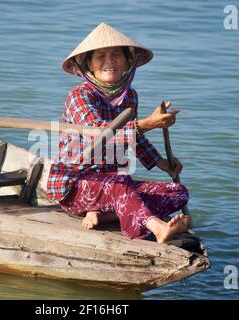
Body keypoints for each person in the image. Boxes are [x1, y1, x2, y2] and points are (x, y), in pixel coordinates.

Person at [47, 22, 190, 243]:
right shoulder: (80, 96)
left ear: (127, 61)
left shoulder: (130, 96)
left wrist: (162, 163)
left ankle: (106, 215)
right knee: (120, 182)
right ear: (89, 64)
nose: (109, 61)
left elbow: (134, 137)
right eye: (100, 56)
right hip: (75, 185)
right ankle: (157, 227)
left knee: (177, 191)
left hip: (113, 185)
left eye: (116, 55)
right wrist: (148, 123)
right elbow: (100, 133)